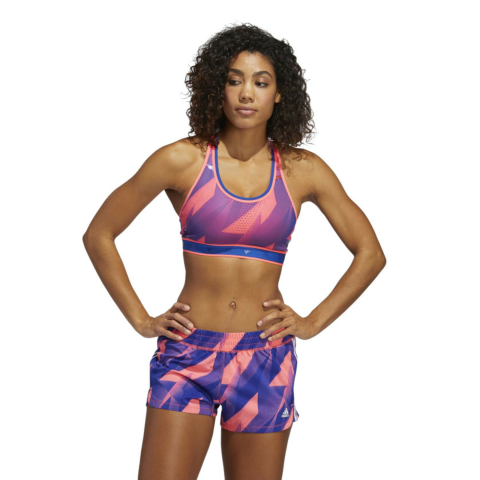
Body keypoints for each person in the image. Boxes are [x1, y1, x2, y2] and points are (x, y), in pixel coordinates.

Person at [83, 23, 386, 480]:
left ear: (279, 94)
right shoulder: (182, 160)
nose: (247, 93)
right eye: (234, 80)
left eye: (261, 82)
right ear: (217, 88)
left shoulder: (302, 170)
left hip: (265, 358)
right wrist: (141, 320)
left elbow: (370, 252)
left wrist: (311, 323)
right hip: (188, 356)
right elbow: (100, 233)